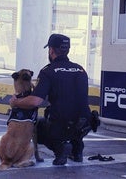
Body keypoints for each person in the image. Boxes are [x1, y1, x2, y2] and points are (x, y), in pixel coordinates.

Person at [9, 33, 95, 165]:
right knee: (73, 119)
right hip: (85, 123)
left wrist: (16, 102)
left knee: (37, 126)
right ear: (68, 50)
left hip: (62, 123)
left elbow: (35, 101)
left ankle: (60, 149)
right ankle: (77, 150)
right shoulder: (80, 69)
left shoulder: (48, 71)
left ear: (51, 50)